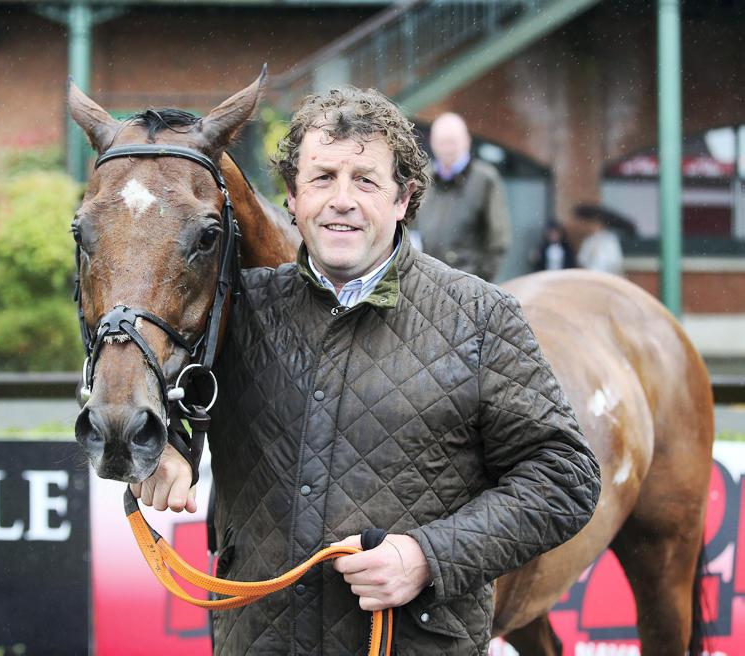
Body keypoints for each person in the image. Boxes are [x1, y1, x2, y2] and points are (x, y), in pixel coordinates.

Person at [132, 87, 600, 655]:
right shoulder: (236, 308)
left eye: (365, 181)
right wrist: (162, 448)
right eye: (322, 178)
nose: (342, 200)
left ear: (404, 198)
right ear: (292, 197)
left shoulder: (481, 317)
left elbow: (566, 478)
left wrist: (428, 556)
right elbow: (140, 385)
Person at [413, 112, 511, 282]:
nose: (447, 148)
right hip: (428, 281)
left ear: (467, 141)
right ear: (433, 143)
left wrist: (480, 281)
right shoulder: (423, 178)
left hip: (469, 282)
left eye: (452, 141)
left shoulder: (485, 179)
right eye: (442, 142)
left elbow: (498, 239)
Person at [572, 204, 626, 276]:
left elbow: (615, 262)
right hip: (590, 276)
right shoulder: (588, 240)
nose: (592, 226)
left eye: (595, 223)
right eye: (591, 223)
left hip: (606, 276)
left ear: (601, 224)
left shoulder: (610, 239)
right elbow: (582, 261)